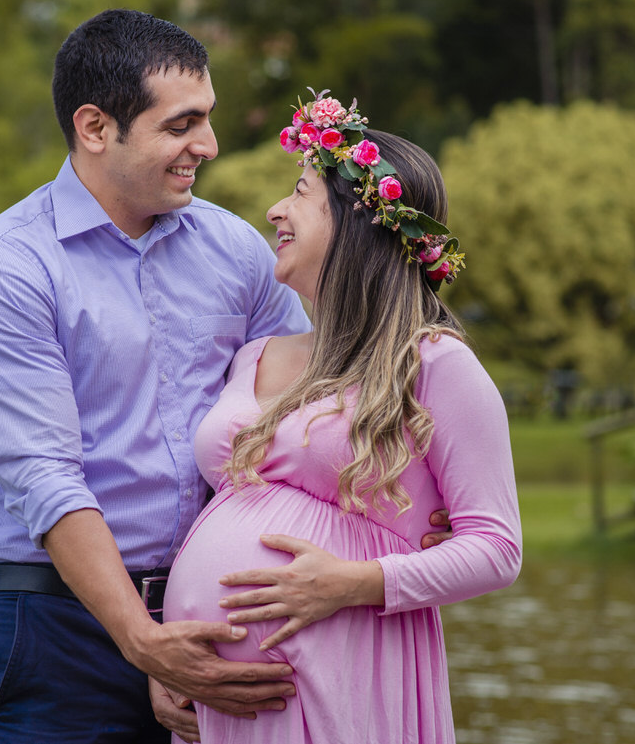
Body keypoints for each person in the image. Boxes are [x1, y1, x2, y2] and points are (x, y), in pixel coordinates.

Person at [0, 10, 311, 742]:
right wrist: (143, 641)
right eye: (181, 125)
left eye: (207, 118)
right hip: (50, 633)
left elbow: (313, 406)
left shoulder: (236, 250)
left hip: (211, 617)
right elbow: (45, 477)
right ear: (95, 127)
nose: (207, 145)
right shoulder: (2, 268)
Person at [162, 90, 523, 743]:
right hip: (215, 697)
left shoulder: (434, 364)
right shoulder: (254, 356)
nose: (275, 210)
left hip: (349, 663)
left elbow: (497, 548)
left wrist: (352, 582)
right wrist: (169, 653)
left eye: (299, 192)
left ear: (357, 221)